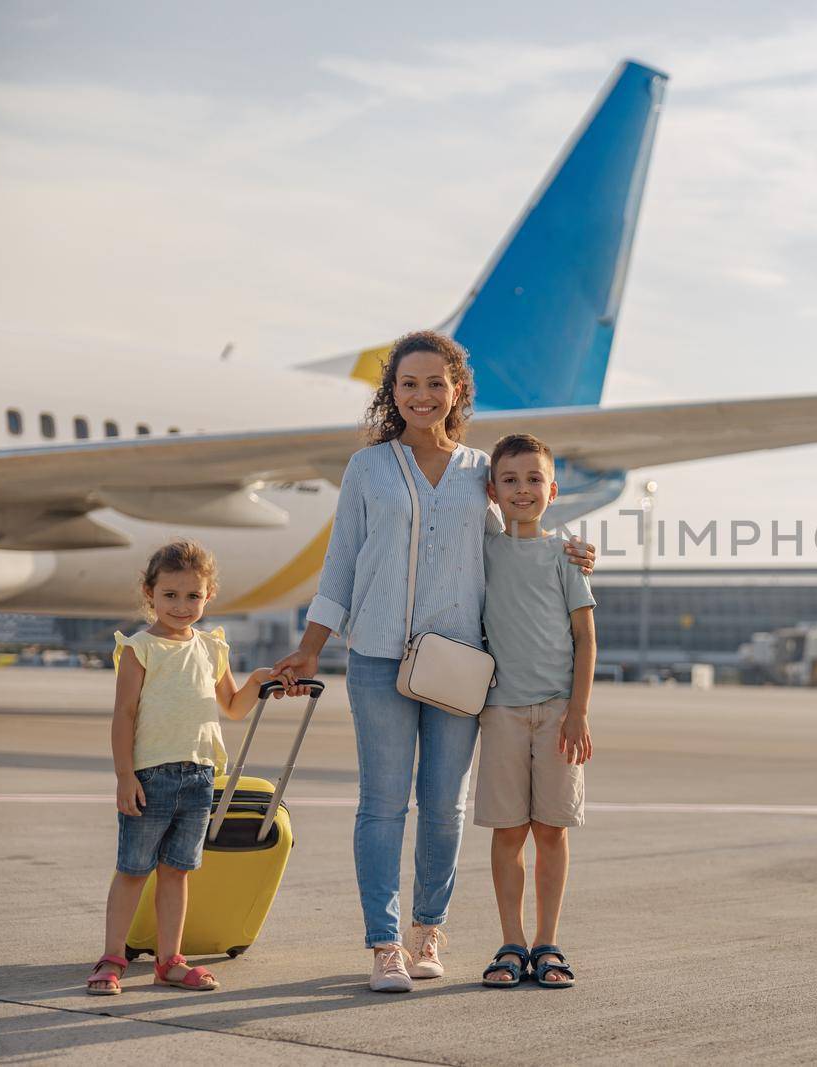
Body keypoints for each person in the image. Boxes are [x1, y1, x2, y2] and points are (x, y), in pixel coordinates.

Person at [270, 330, 594, 993]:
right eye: (408, 383)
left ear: (456, 390)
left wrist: (576, 554)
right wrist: (312, 644)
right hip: (377, 659)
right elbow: (342, 560)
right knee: (383, 805)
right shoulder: (367, 467)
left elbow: (517, 548)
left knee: (444, 807)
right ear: (392, 393)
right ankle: (385, 943)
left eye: (435, 382)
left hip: (459, 665)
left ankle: (428, 931)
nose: (422, 395)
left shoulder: (481, 470)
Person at [86, 540, 273, 995]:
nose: (182, 605)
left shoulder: (212, 648)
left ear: (208, 596)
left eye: (192, 596)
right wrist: (124, 776)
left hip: (200, 777)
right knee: (133, 870)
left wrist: (257, 682)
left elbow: (231, 706)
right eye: (170, 595)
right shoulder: (139, 649)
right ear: (150, 594)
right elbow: (124, 716)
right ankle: (113, 957)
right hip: (150, 778)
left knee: (177, 871)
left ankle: (170, 960)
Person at [476, 433, 595, 990]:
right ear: (493, 491)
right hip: (499, 710)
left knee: (551, 830)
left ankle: (547, 942)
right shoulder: (483, 549)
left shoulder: (567, 554)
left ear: (553, 488)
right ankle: (510, 943)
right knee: (508, 831)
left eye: (533, 480)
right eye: (509, 480)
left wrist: (578, 712)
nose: (522, 490)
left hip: (556, 714)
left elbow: (585, 639)